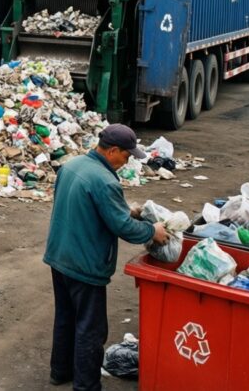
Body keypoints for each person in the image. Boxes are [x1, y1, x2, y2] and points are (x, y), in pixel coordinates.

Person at [43, 124, 169, 390]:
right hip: (85, 264)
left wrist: (127, 210)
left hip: (59, 256)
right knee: (91, 328)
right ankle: (86, 386)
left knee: (65, 316)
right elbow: (123, 228)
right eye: (126, 156)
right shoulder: (105, 180)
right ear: (112, 150)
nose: (127, 162)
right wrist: (152, 230)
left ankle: (60, 371)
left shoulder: (71, 166)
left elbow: (89, 207)